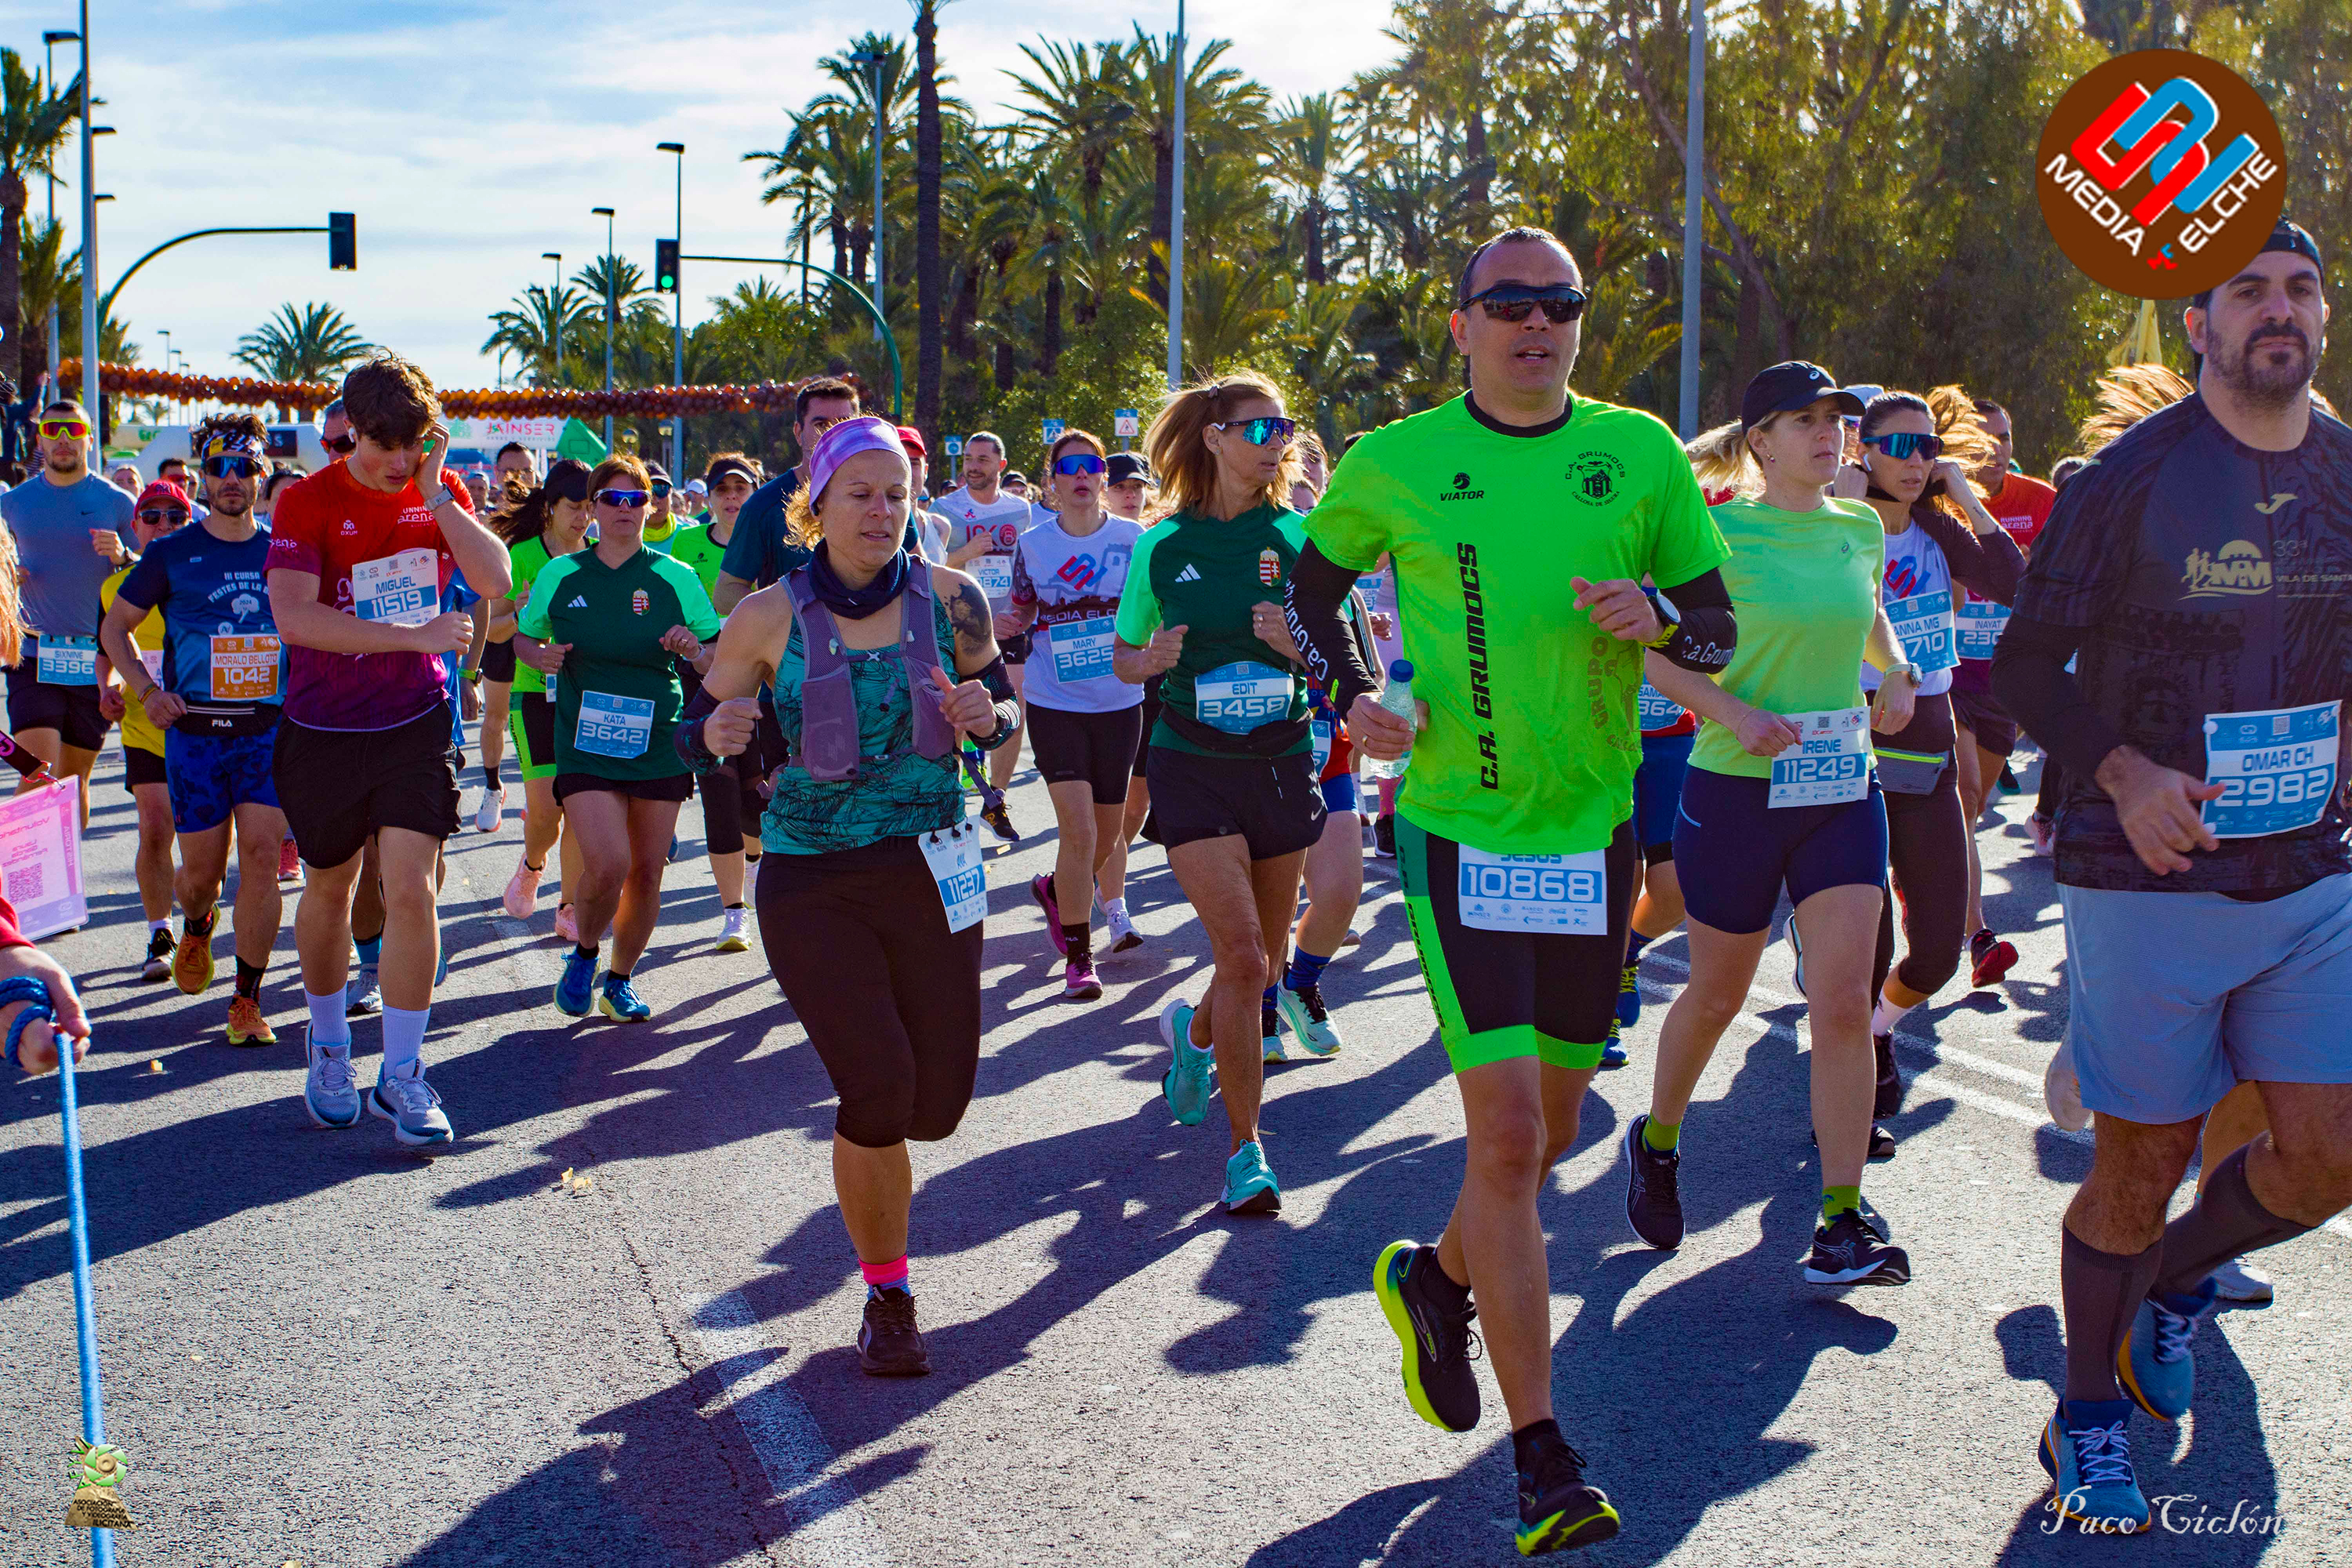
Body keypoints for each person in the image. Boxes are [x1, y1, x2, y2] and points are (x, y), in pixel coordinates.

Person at [1287, 227, 1736, 1558]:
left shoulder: (1639, 453)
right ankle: (1543, 1459)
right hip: (1461, 836)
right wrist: (1351, 695)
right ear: (1464, 324)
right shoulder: (1398, 461)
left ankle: (1437, 1279)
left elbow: (1714, 628)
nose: (1539, 323)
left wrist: (1660, 617)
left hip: (1592, 838)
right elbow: (1307, 594)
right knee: (1510, 1143)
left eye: (1561, 303)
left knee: (1554, 1124)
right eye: (1512, 303)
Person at [1991, 220, 2352, 1534]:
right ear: (2199, 325)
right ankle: (2088, 1415)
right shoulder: (2129, 479)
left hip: (2307, 867)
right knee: (2138, 1168)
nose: (2279, 310)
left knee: (2328, 1159)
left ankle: (2174, 1286)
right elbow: (2023, 667)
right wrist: (2126, 774)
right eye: (2248, 290)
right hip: (2146, 873)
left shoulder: (2347, 471)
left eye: (2301, 289)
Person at [679, 414, 1015, 1376]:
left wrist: (991, 716)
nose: (880, 511)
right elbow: (698, 725)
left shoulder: (954, 600)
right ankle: (888, 1294)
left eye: (896, 494)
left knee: (936, 1105)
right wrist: (714, 736)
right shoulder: (766, 615)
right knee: (876, 1086)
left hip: (933, 867)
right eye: (859, 493)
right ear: (816, 504)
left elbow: (1004, 716)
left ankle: (880, 1212)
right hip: (813, 877)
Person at [1628, 361, 1917, 1292]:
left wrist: (1897, 669)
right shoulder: (1716, 534)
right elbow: (1652, 657)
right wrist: (1733, 712)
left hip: (1840, 788)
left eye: (1837, 419)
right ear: (1759, 440)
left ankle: (1841, 1215)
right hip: (1736, 791)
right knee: (1717, 994)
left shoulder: (1859, 526)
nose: (1829, 435)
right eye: (1805, 421)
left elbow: (1869, 615)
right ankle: (1659, 1138)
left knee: (1842, 1003)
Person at [267, 353, 510, 1147]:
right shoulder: (307, 500)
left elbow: (494, 580)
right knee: (332, 887)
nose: (398, 462)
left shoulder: (437, 489)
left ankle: (402, 1072)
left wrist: (437, 492)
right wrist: (411, 635)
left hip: (414, 722)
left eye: (412, 444)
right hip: (324, 728)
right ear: (352, 433)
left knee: (412, 890)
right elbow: (295, 618)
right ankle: (330, 1046)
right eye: (383, 446)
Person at [1115, 371, 1325, 1217]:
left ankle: (1195, 1034)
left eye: (1284, 427)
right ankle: (1247, 1153)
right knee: (1241, 957)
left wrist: (1298, 644)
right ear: (1214, 437)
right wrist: (1151, 660)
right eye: (1258, 427)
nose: (1276, 441)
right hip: (1192, 761)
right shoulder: (1161, 546)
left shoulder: (1302, 537)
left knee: (1262, 965)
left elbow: (1345, 655)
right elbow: (1124, 656)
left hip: (1279, 760)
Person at [1834, 391, 2024, 1145]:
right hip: (1847, 734)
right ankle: (1852, 1082)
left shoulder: (1938, 528)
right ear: (1864, 450)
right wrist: (1843, 505)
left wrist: (1965, 495)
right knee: (1868, 935)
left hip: (1927, 733)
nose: (1917, 461)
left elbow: (2013, 584)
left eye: (1929, 447)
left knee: (1941, 948)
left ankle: (1880, 1024)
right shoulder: (1838, 521)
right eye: (1900, 446)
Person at [103, 416, 292, 1045]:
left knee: (262, 858)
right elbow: (114, 629)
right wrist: (147, 691)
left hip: (266, 733)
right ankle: (197, 922)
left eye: (245, 467)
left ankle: (247, 1000)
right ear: (203, 478)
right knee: (201, 879)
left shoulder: (285, 550)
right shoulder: (170, 553)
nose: (231, 478)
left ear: (262, 476)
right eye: (218, 467)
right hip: (196, 736)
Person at [516, 456, 720, 1019]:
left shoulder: (676, 577)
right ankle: (585, 952)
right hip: (586, 738)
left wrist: (694, 650)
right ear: (593, 507)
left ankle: (620, 980)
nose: (624, 509)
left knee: (647, 872)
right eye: (612, 499)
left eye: (636, 500)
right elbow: (525, 639)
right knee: (607, 863)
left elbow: (715, 657)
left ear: (650, 507)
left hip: (657, 738)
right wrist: (540, 656)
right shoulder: (562, 575)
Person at [996, 429, 1144, 996]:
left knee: (1107, 836)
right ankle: (1080, 959)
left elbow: (1155, 606)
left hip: (1120, 703)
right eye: (1069, 467)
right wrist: (1005, 623)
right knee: (1079, 831)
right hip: (1055, 702)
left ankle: (1055, 890)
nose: (1081, 475)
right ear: (1053, 481)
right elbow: (1020, 610)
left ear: (1103, 476)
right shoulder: (1034, 545)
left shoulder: (1134, 539)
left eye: (1091, 465)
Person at [1947, 392, 2053, 985]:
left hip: (2003, 681)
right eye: (1984, 440)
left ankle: (1912, 883)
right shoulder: (1935, 501)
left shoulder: (2038, 500)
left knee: (1972, 806)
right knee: (1963, 798)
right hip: (1945, 678)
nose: (1997, 450)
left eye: (2005, 438)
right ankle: (1977, 936)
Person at [0, 399, 135, 828]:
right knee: (39, 772)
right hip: (32, 657)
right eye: (53, 430)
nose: (63, 439)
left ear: (90, 440)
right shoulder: (12, 504)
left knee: (74, 784)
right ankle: (15, 865)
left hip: (95, 662)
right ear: (39, 440)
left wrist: (124, 555)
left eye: (73, 430)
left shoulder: (118, 502)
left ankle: (66, 873)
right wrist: (6, 574)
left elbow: (152, 572)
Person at [664, 453, 764, 949]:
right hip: (702, 681)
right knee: (719, 797)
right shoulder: (685, 544)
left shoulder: (772, 540)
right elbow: (670, 605)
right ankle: (733, 913)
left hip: (764, 684)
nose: (731, 498)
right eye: (722, 490)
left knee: (755, 805)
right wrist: (693, 647)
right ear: (708, 497)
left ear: (755, 495)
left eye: (741, 489)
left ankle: (755, 862)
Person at [492, 461, 593, 940]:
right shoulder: (523, 554)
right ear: (551, 508)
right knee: (548, 813)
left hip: (589, 696)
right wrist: (520, 613)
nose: (584, 518)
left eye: (590, 507)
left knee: (582, 806)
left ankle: (569, 905)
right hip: (534, 694)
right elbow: (493, 630)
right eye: (575, 507)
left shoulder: (600, 557)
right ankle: (533, 864)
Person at [98, 481, 188, 982]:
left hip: (204, 726)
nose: (163, 525)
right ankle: (160, 931)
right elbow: (106, 650)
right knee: (155, 826)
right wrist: (107, 689)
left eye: (175, 516)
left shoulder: (201, 577)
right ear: (134, 526)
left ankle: (197, 915)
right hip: (144, 723)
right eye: (151, 516)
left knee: (204, 855)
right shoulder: (114, 587)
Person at [942, 432, 1040, 804]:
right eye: (969, 458)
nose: (973, 466)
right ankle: (954, 785)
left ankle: (998, 794)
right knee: (957, 711)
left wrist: (1022, 614)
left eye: (982, 460)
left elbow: (1027, 567)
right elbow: (931, 566)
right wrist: (966, 552)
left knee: (1014, 706)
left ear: (1001, 465)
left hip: (1008, 623)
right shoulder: (945, 509)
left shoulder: (1021, 510)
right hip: (961, 625)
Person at [713, 376, 861, 613]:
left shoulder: (882, 498)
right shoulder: (764, 505)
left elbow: (918, 575)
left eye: (843, 423)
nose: (832, 434)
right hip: (797, 637)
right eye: (821, 424)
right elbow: (726, 593)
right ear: (798, 432)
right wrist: (789, 617)